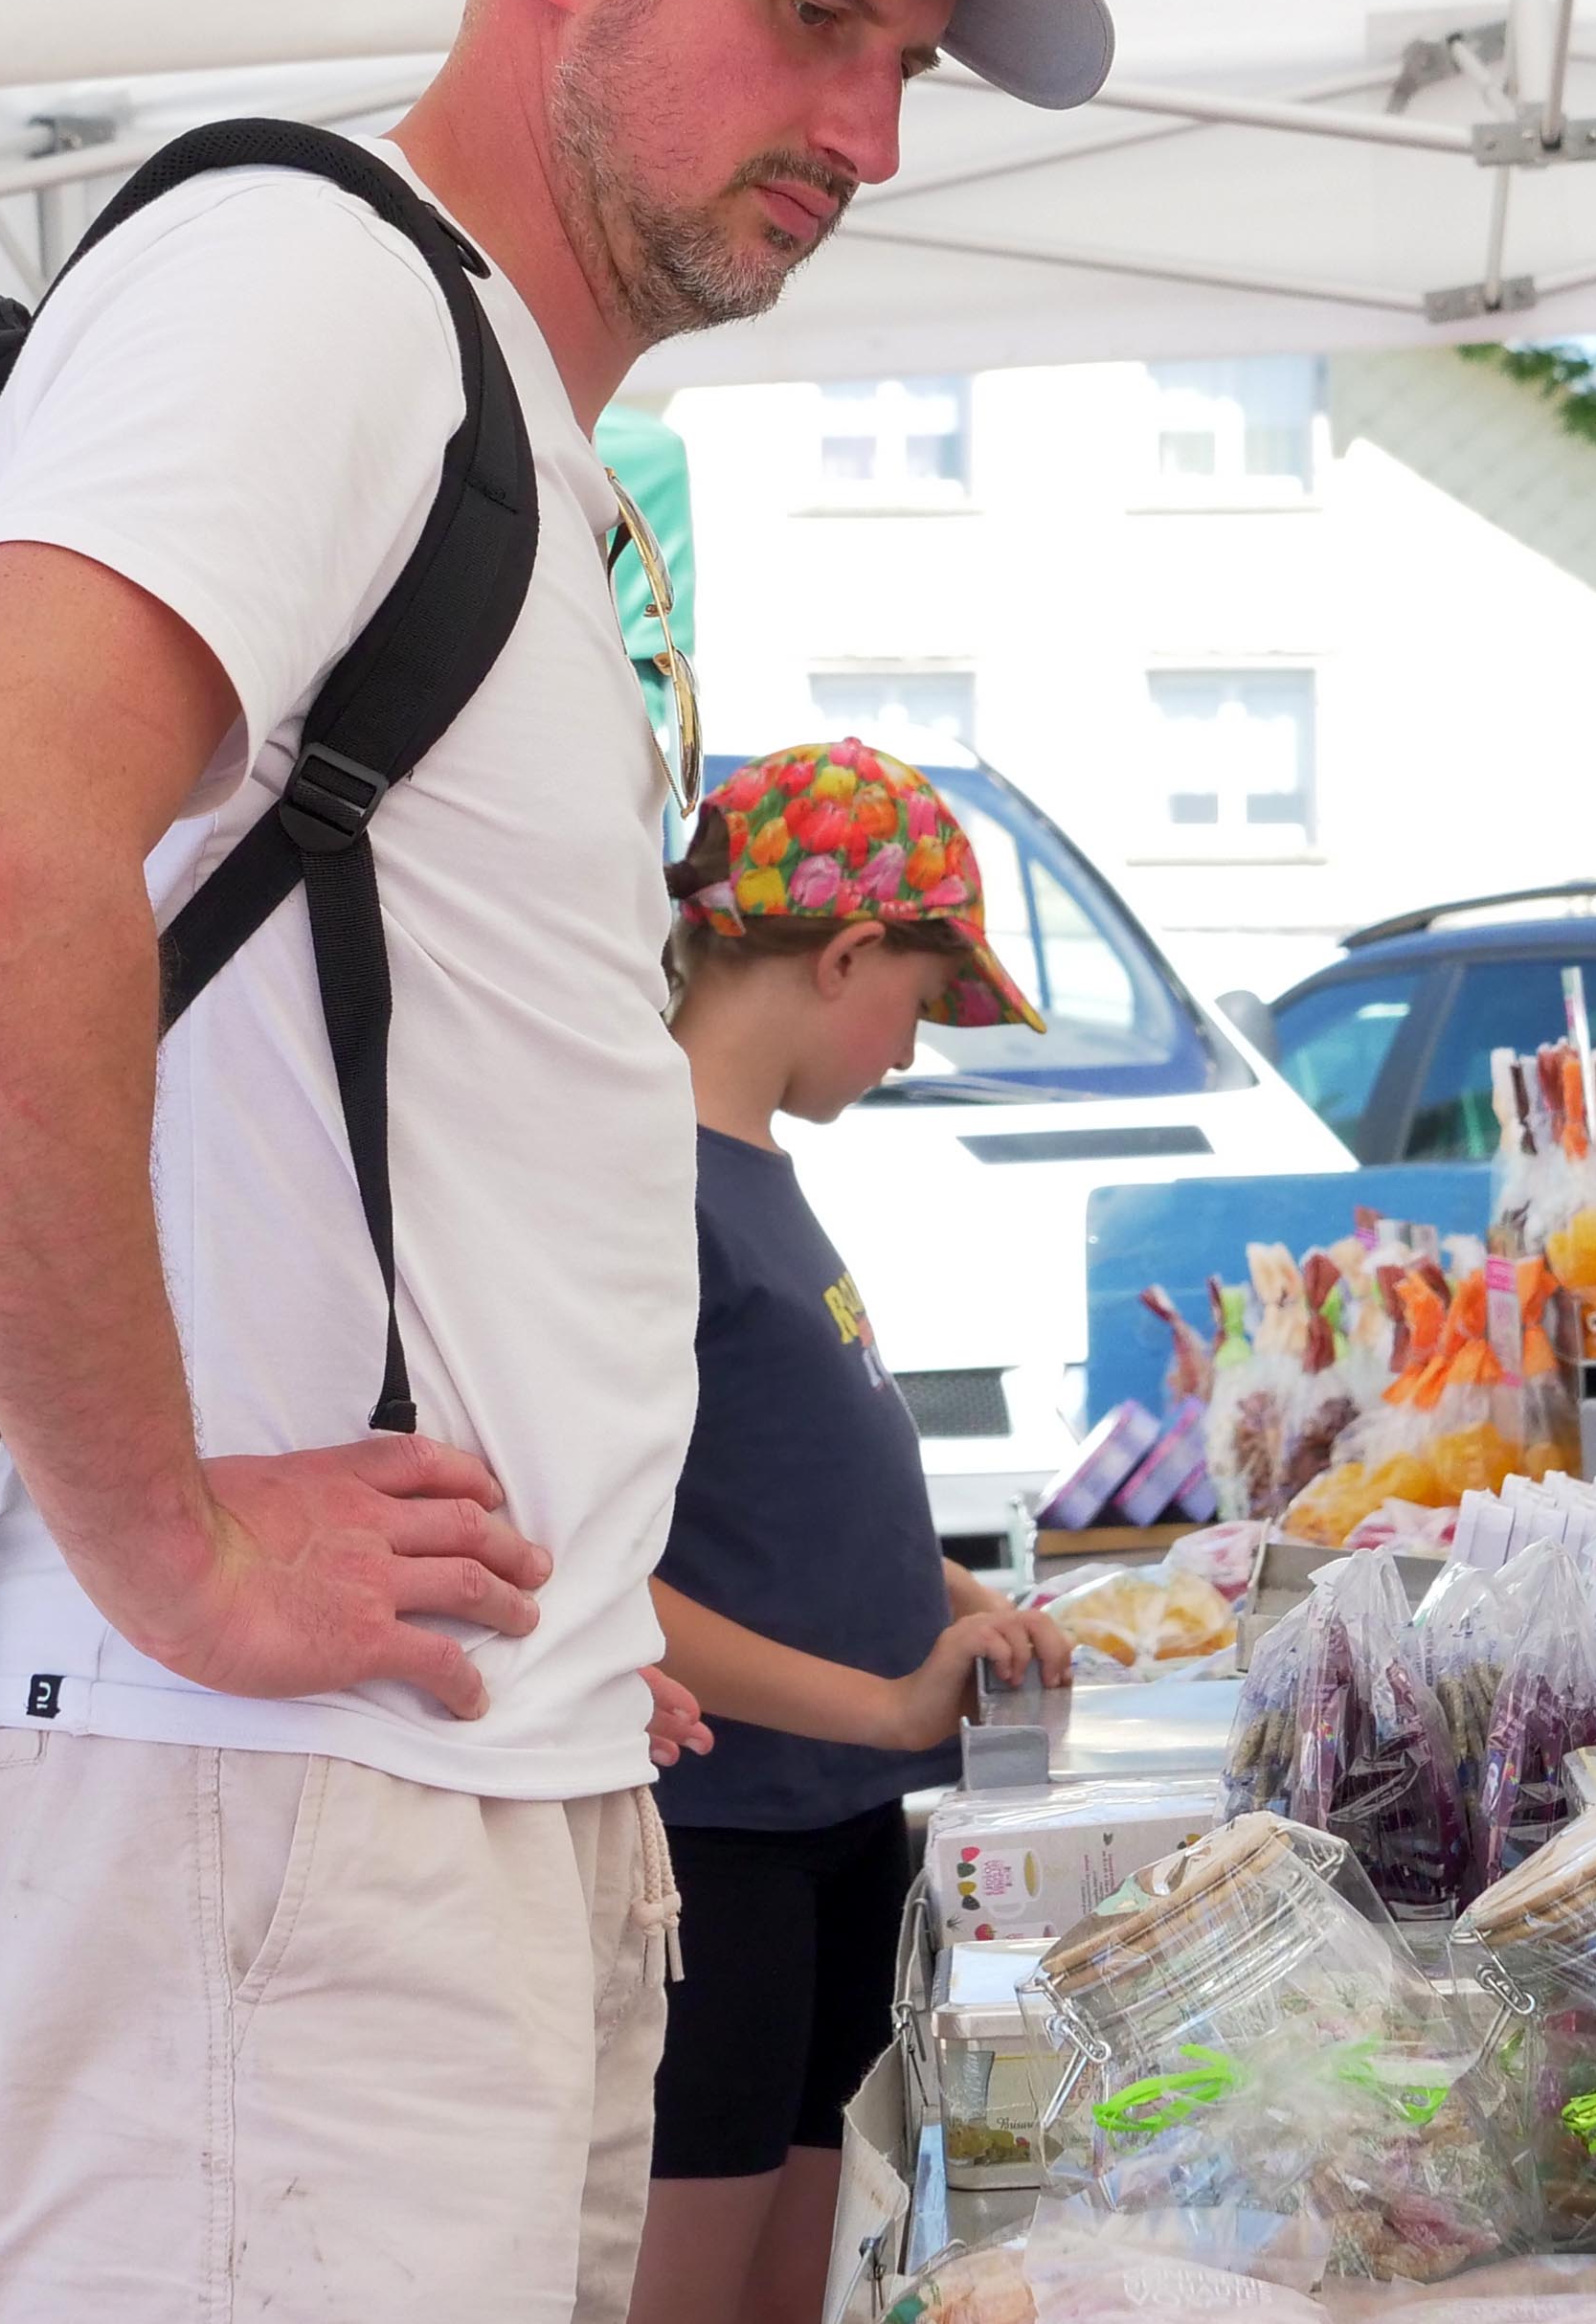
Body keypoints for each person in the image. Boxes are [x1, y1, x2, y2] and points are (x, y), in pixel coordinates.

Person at [0, 0, 1110, 2324]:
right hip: (264, 1813)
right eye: (810, 18)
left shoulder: (506, 419)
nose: (868, 131)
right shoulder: (310, 282)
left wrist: (580, 1597)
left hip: (436, 1805)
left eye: (911, 67)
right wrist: (170, 1532)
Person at [632, 739, 1079, 2324]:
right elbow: (616, 1590)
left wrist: (958, 1603)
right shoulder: (641, 1179)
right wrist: (894, 1702)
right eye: (916, 996)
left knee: (807, 2274)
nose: (904, 1051)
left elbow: (783, 1492)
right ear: (838, 955)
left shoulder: (752, 1170)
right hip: (720, 1843)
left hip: (830, 1830)